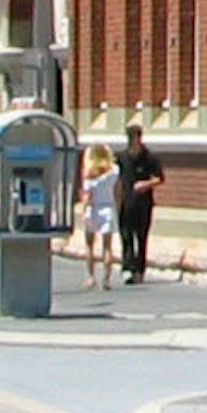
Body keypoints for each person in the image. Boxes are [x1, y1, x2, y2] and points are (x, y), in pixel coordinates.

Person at [111, 123, 164, 284]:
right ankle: (127, 268)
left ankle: (140, 269)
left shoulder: (150, 158)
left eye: (134, 138)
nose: (132, 141)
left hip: (143, 204)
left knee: (141, 237)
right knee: (126, 236)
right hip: (125, 203)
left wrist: (145, 184)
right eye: (129, 138)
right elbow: (112, 174)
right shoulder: (121, 157)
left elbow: (159, 178)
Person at [77, 152, 118, 291]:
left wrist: (83, 212)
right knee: (107, 246)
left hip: (93, 209)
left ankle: (90, 276)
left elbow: (87, 197)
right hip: (108, 208)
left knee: (89, 245)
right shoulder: (112, 174)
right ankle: (106, 279)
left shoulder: (90, 178)